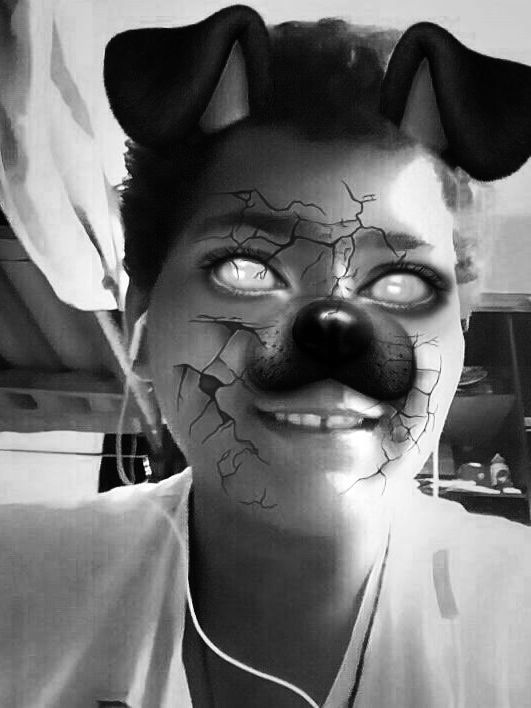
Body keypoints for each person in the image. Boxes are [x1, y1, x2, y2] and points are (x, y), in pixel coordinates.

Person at [2, 6, 531, 707]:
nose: (335, 324)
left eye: (402, 283)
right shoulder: (17, 581)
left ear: (459, 336)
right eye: (247, 269)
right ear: (141, 321)